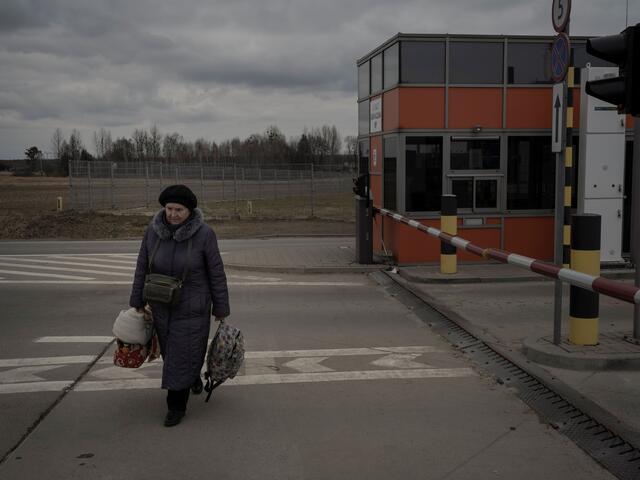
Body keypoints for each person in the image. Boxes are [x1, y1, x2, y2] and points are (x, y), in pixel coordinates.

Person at [129, 184, 230, 427]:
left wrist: (221, 308)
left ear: (190, 211)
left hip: (192, 307)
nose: (172, 214)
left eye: (179, 210)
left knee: (180, 355)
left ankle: (176, 406)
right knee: (172, 354)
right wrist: (137, 301)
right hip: (161, 306)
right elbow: (142, 266)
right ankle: (191, 376)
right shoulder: (152, 232)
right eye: (169, 208)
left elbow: (216, 272)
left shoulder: (205, 234)